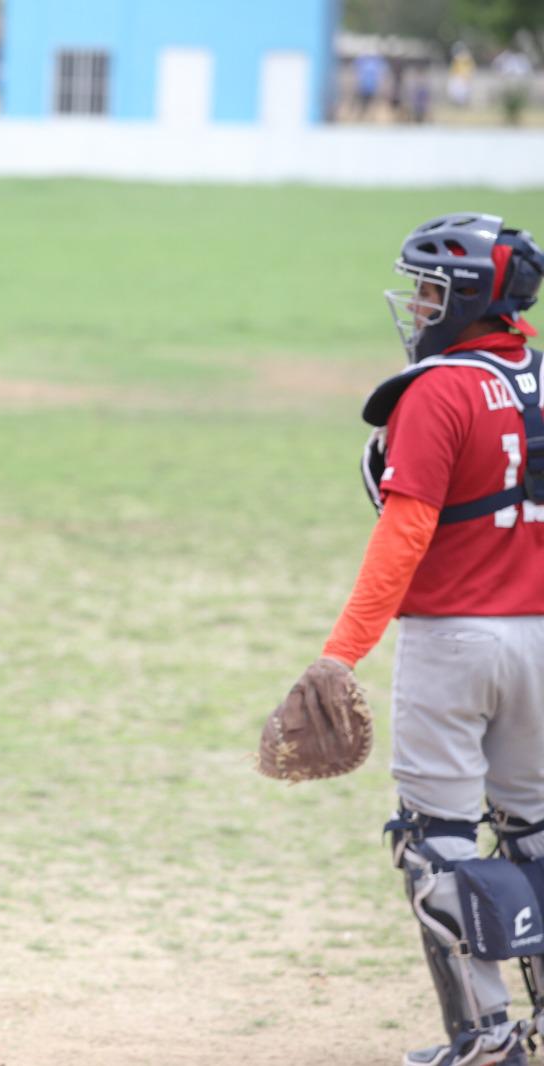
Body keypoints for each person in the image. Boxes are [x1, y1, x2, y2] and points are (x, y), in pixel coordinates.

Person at [270, 213, 544, 1066]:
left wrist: (339, 653)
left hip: (454, 644)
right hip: (539, 639)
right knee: (534, 830)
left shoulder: (436, 389)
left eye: (430, 287)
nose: (419, 303)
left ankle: (487, 1034)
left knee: (439, 841)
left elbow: (404, 536)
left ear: (468, 296)